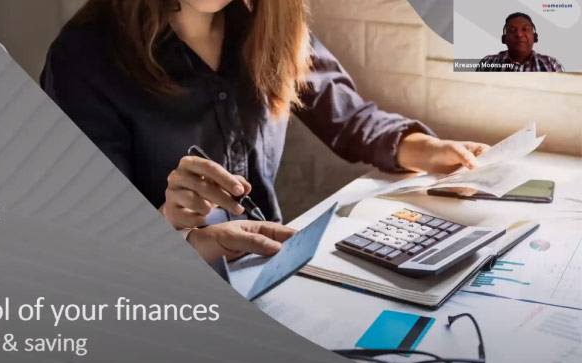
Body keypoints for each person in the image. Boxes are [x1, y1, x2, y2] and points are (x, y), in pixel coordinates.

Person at [40, 0, 488, 261]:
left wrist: (424, 148)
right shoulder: (84, 57)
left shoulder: (266, 23)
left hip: (270, 267)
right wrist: (183, 236)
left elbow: (350, 117)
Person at [477, 12, 564, 72]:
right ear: (504, 39)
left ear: (534, 36)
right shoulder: (487, 63)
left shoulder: (552, 64)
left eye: (525, 29)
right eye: (512, 30)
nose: (519, 34)